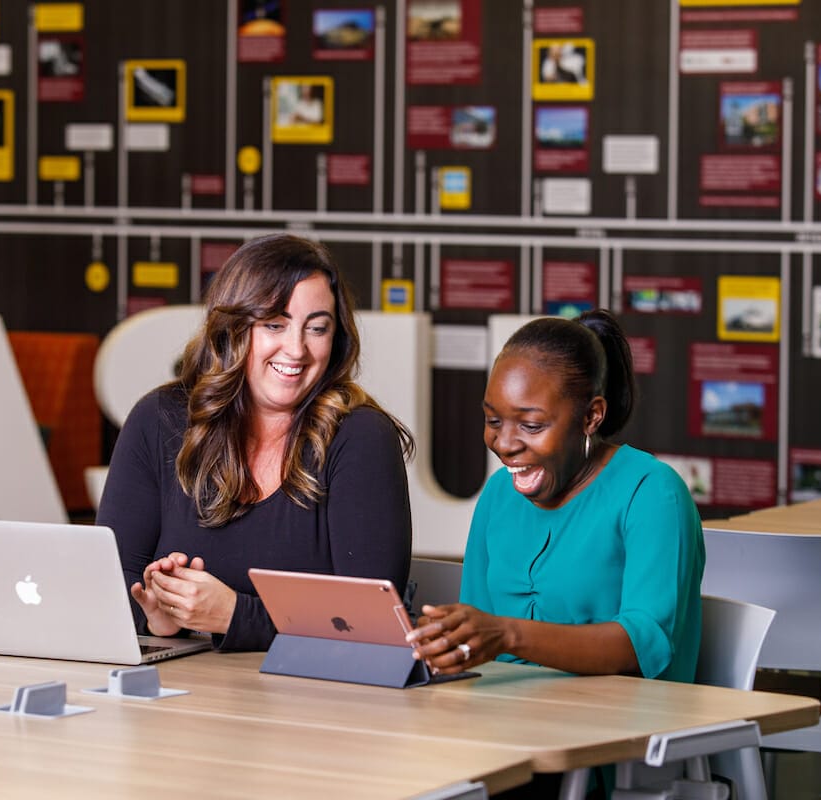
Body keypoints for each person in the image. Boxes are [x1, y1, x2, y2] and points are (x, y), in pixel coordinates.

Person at [97, 233, 414, 652]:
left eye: (317, 328)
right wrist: (159, 614)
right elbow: (111, 581)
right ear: (232, 329)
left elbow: (370, 623)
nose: (297, 349)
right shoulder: (160, 419)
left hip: (313, 702)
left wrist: (233, 615)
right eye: (274, 325)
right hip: (183, 697)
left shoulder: (360, 437)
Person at [407, 311, 704, 682]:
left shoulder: (652, 492)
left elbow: (643, 646)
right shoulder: (499, 493)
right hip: (503, 720)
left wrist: (506, 634)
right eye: (493, 420)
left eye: (531, 425)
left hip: (626, 724)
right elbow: (476, 637)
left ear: (591, 416)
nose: (504, 444)